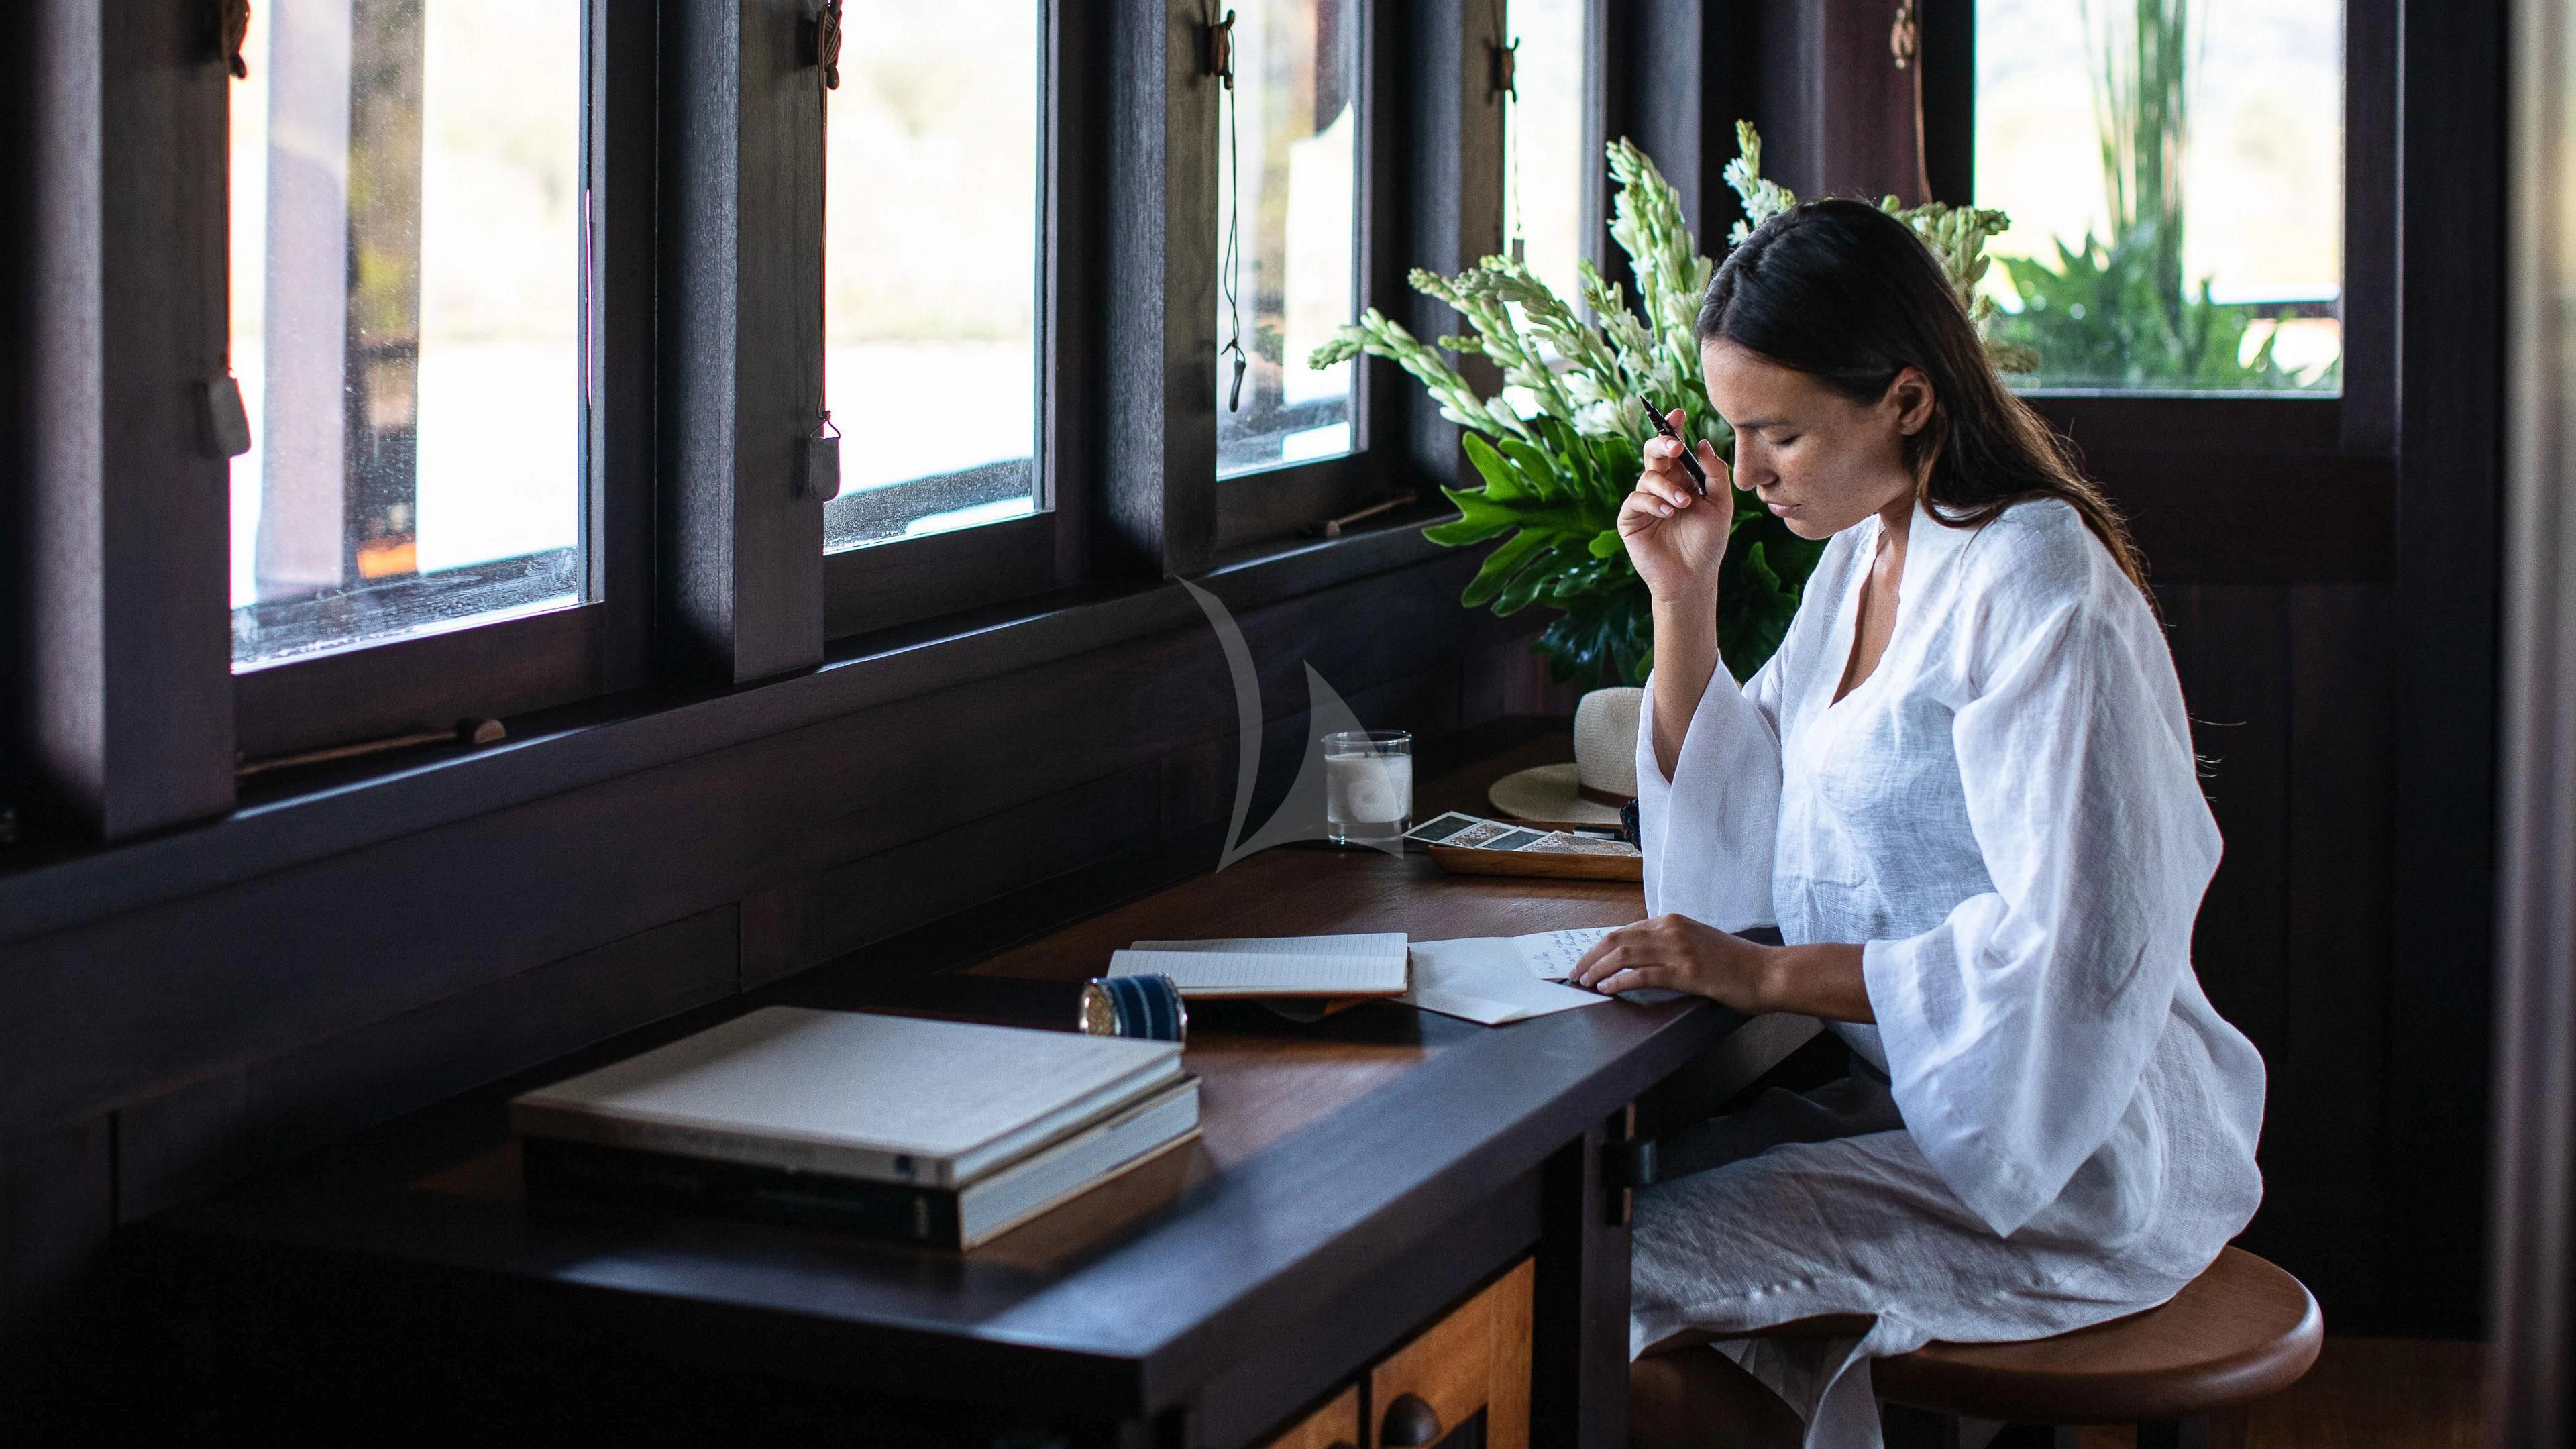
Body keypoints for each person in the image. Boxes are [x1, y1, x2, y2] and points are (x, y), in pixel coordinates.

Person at [1564, 198, 2266, 1448]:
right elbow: (1752, 800)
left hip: (2076, 1141)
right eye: (1733, 430)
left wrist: (1768, 970)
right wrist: (1685, 593)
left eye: (1777, 433)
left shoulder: (2037, 586)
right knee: (1610, 1223)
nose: (1752, 467)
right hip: (1933, 1104)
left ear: (1906, 399)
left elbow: (2074, 947)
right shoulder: (1870, 553)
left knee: (1603, 1289)